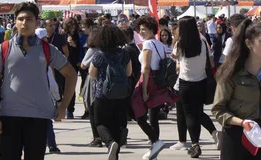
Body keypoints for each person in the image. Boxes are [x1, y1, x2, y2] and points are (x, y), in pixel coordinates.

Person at [0, 2, 77, 160]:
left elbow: (71, 75)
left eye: (29, 19)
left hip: (38, 117)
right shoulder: (3, 49)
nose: (24, 22)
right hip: (9, 116)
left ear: (37, 22)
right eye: (20, 19)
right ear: (15, 22)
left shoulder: (48, 49)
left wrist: (64, 106)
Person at [212, 19, 261, 160]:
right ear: (248, 43)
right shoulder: (231, 71)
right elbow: (218, 109)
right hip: (236, 134)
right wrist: (242, 122)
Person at [130, 16, 177, 160]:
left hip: (148, 81)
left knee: (137, 112)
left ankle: (155, 142)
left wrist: (143, 90)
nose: (141, 32)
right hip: (159, 82)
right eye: (140, 29)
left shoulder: (148, 45)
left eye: (144, 29)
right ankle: (154, 147)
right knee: (154, 116)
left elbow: (146, 68)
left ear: (152, 29)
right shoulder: (160, 45)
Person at [89, 24, 132, 160]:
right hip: (121, 94)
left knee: (100, 123)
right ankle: (115, 153)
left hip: (103, 94)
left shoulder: (99, 55)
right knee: (117, 125)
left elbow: (92, 73)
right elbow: (129, 72)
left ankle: (109, 143)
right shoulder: (124, 53)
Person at [170, 17, 210, 158]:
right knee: (197, 113)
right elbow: (209, 60)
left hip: (185, 83)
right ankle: (195, 142)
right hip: (201, 81)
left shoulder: (180, 43)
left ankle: (195, 144)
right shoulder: (203, 41)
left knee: (188, 114)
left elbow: (174, 55)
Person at [63, 18, 81, 119]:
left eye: (74, 26)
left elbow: (79, 48)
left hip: (73, 63)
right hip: (64, 63)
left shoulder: (77, 35)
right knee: (62, 87)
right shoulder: (63, 35)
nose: (72, 29)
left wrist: (72, 44)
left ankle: (70, 110)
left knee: (71, 86)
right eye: (70, 27)